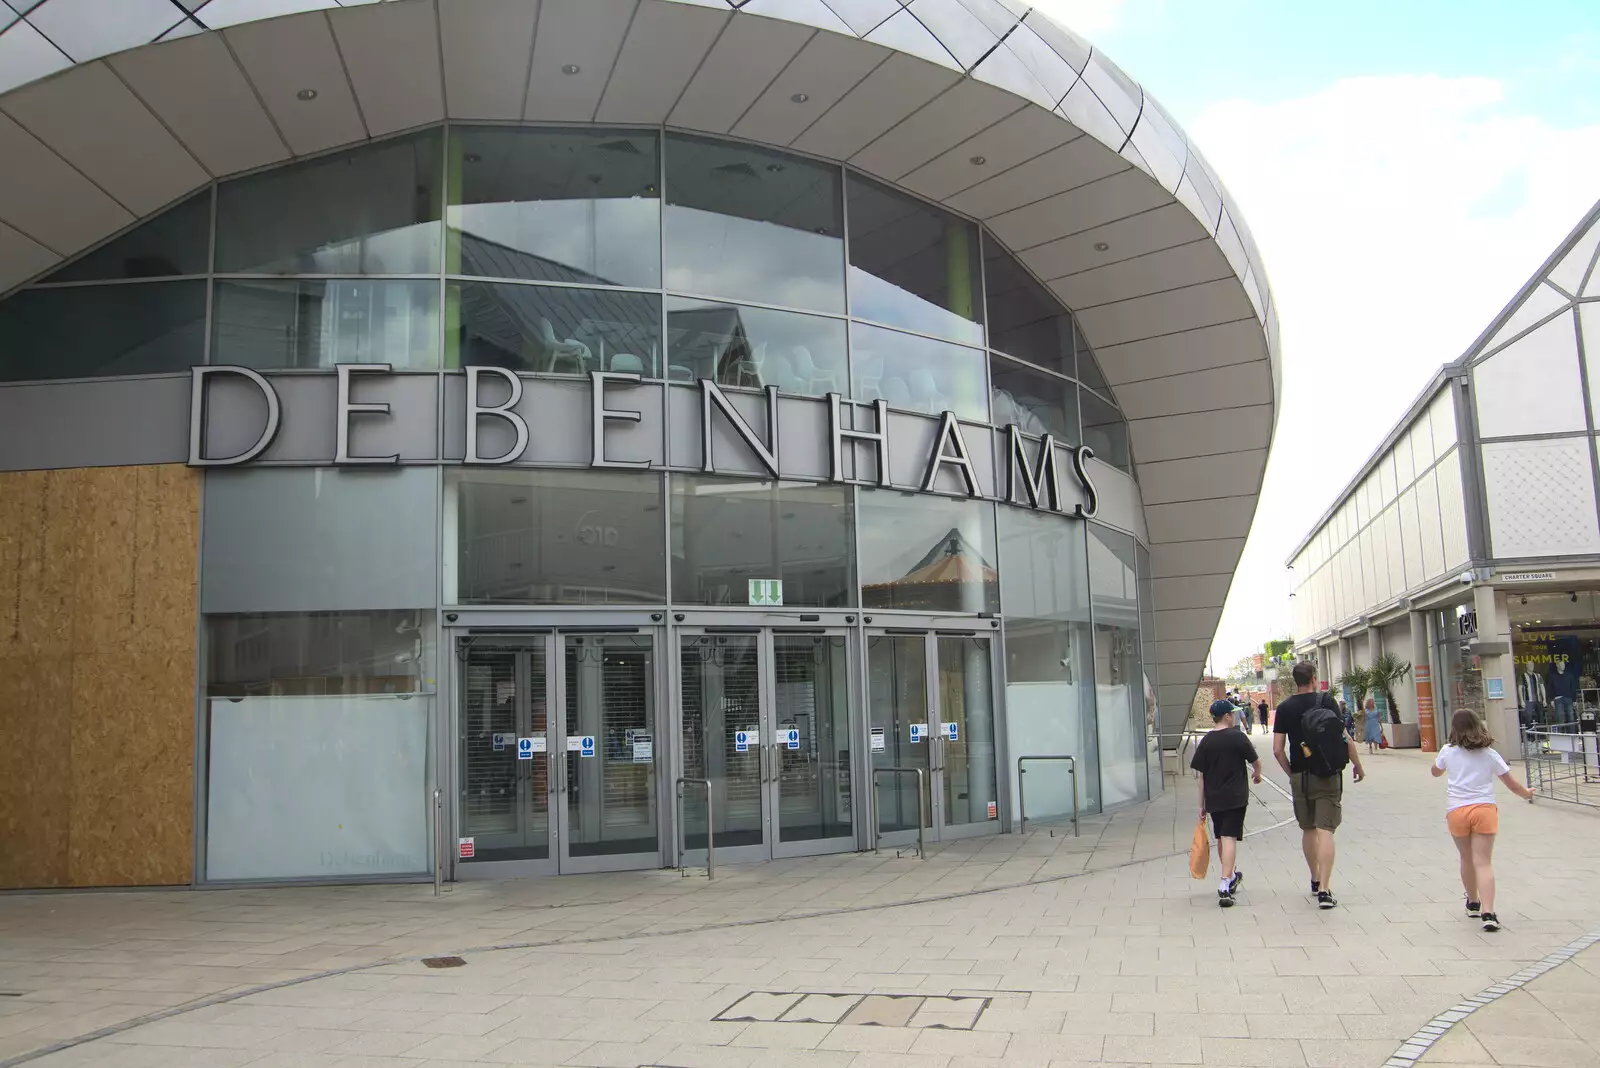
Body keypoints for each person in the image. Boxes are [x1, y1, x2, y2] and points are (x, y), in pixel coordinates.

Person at [1431, 709, 1535, 932]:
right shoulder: (1489, 754)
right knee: (1483, 862)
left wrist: (1441, 764)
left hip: (1457, 811)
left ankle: (1473, 902)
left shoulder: (1448, 751)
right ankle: (1489, 913)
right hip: (1484, 810)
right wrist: (1526, 793)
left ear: (1454, 729)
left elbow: (1435, 772)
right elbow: (1511, 783)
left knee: (1466, 859)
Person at [1273, 663, 1366, 909]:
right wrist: (1357, 765)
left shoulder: (1284, 708)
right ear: (1314, 679)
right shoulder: (1327, 702)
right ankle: (1325, 889)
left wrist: (1292, 772)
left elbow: (1277, 750)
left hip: (1301, 776)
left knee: (1308, 829)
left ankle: (1314, 878)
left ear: (1295, 681)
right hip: (1327, 773)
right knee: (1326, 830)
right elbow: (1345, 737)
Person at [1191, 698, 1263, 907]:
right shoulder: (1237, 737)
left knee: (1222, 838)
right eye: (1233, 714)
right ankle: (1224, 883)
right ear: (1227, 716)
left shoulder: (1206, 741)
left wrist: (1201, 805)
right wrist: (1257, 774)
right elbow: (1255, 761)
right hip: (1235, 796)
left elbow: (1202, 776)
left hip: (1214, 798)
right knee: (1230, 837)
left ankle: (1230, 876)